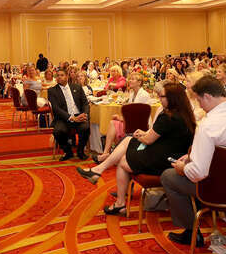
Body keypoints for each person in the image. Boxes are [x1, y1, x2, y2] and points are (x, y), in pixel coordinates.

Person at [161, 76, 226, 247]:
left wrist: (183, 167)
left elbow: (198, 173)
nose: (199, 105)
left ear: (207, 96)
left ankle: (191, 232)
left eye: (199, 100)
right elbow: (225, 150)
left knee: (168, 177)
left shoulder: (208, 125)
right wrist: (192, 156)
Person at [82, 83, 196, 215]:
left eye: (162, 96)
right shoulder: (185, 114)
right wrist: (143, 135)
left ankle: (101, 173)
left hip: (163, 160)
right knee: (125, 152)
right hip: (172, 156)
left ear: (172, 98)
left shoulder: (168, 116)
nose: (159, 99)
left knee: (126, 147)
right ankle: (114, 195)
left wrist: (140, 136)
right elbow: (161, 136)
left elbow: (148, 140)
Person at [92, 71, 154, 163]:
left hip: (141, 125)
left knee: (114, 122)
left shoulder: (143, 95)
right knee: (113, 123)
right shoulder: (133, 93)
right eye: (130, 79)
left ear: (139, 82)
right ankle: (106, 153)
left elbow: (136, 115)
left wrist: (120, 118)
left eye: (133, 79)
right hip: (133, 122)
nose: (130, 81)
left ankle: (109, 155)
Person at [47, 68, 90, 161]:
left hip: (79, 116)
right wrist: (71, 118)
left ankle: (80, 151)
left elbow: (85, 103)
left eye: (62, 75)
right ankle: (68, 151)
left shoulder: (77, 87)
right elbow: (56, 108)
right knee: (57, 131)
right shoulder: (52, 91)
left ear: (67, 76)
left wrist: (85, 115)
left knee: (86, 127)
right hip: (63, 118)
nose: (59, 77)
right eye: (57, 75)